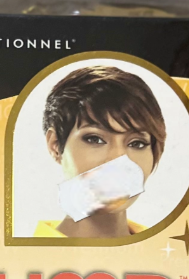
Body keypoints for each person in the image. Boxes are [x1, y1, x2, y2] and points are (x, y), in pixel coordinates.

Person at [35, 65, 167, 239]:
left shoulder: (168, 250)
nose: (118, 159)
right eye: (95, 139)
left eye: (137, 143)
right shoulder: (22, 254)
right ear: (55, 145)